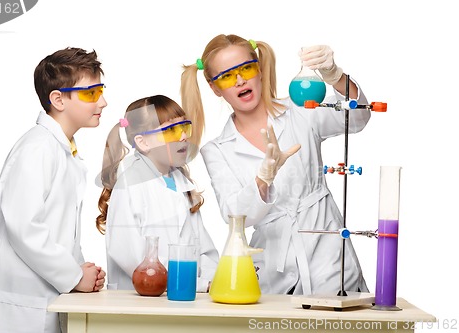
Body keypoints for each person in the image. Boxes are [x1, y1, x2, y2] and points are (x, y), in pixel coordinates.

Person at [180, 34, 369, 295]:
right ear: (215, 88)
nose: (240, 80)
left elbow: (357, 119)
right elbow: (234, 216)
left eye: (245, 68)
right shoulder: (216, 149)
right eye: (226, 76)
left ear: (259, 68)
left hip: (329, 256)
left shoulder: (300, 109)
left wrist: (335, 76)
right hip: (274, 269)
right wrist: (263, 178)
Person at [0, 47, 107, 333]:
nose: (103, 102)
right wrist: (73, 276)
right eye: (91, 93)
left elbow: (57, 231)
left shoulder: (61, 150)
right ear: (58, 99)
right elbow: (25, 227)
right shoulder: (37, 148)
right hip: (17, 306)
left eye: (100, 90)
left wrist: (82, 271)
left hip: (44, 296)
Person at [96, 95, 219, 293]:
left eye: (184, 127)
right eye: (171, 130)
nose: (183, 137)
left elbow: (206, 252)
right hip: (142, 306)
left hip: (187, 298)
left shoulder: (180, 183)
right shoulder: (130, 185)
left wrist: (211, 280)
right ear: (143, 143)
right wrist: (199, 285)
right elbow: (135, 261)